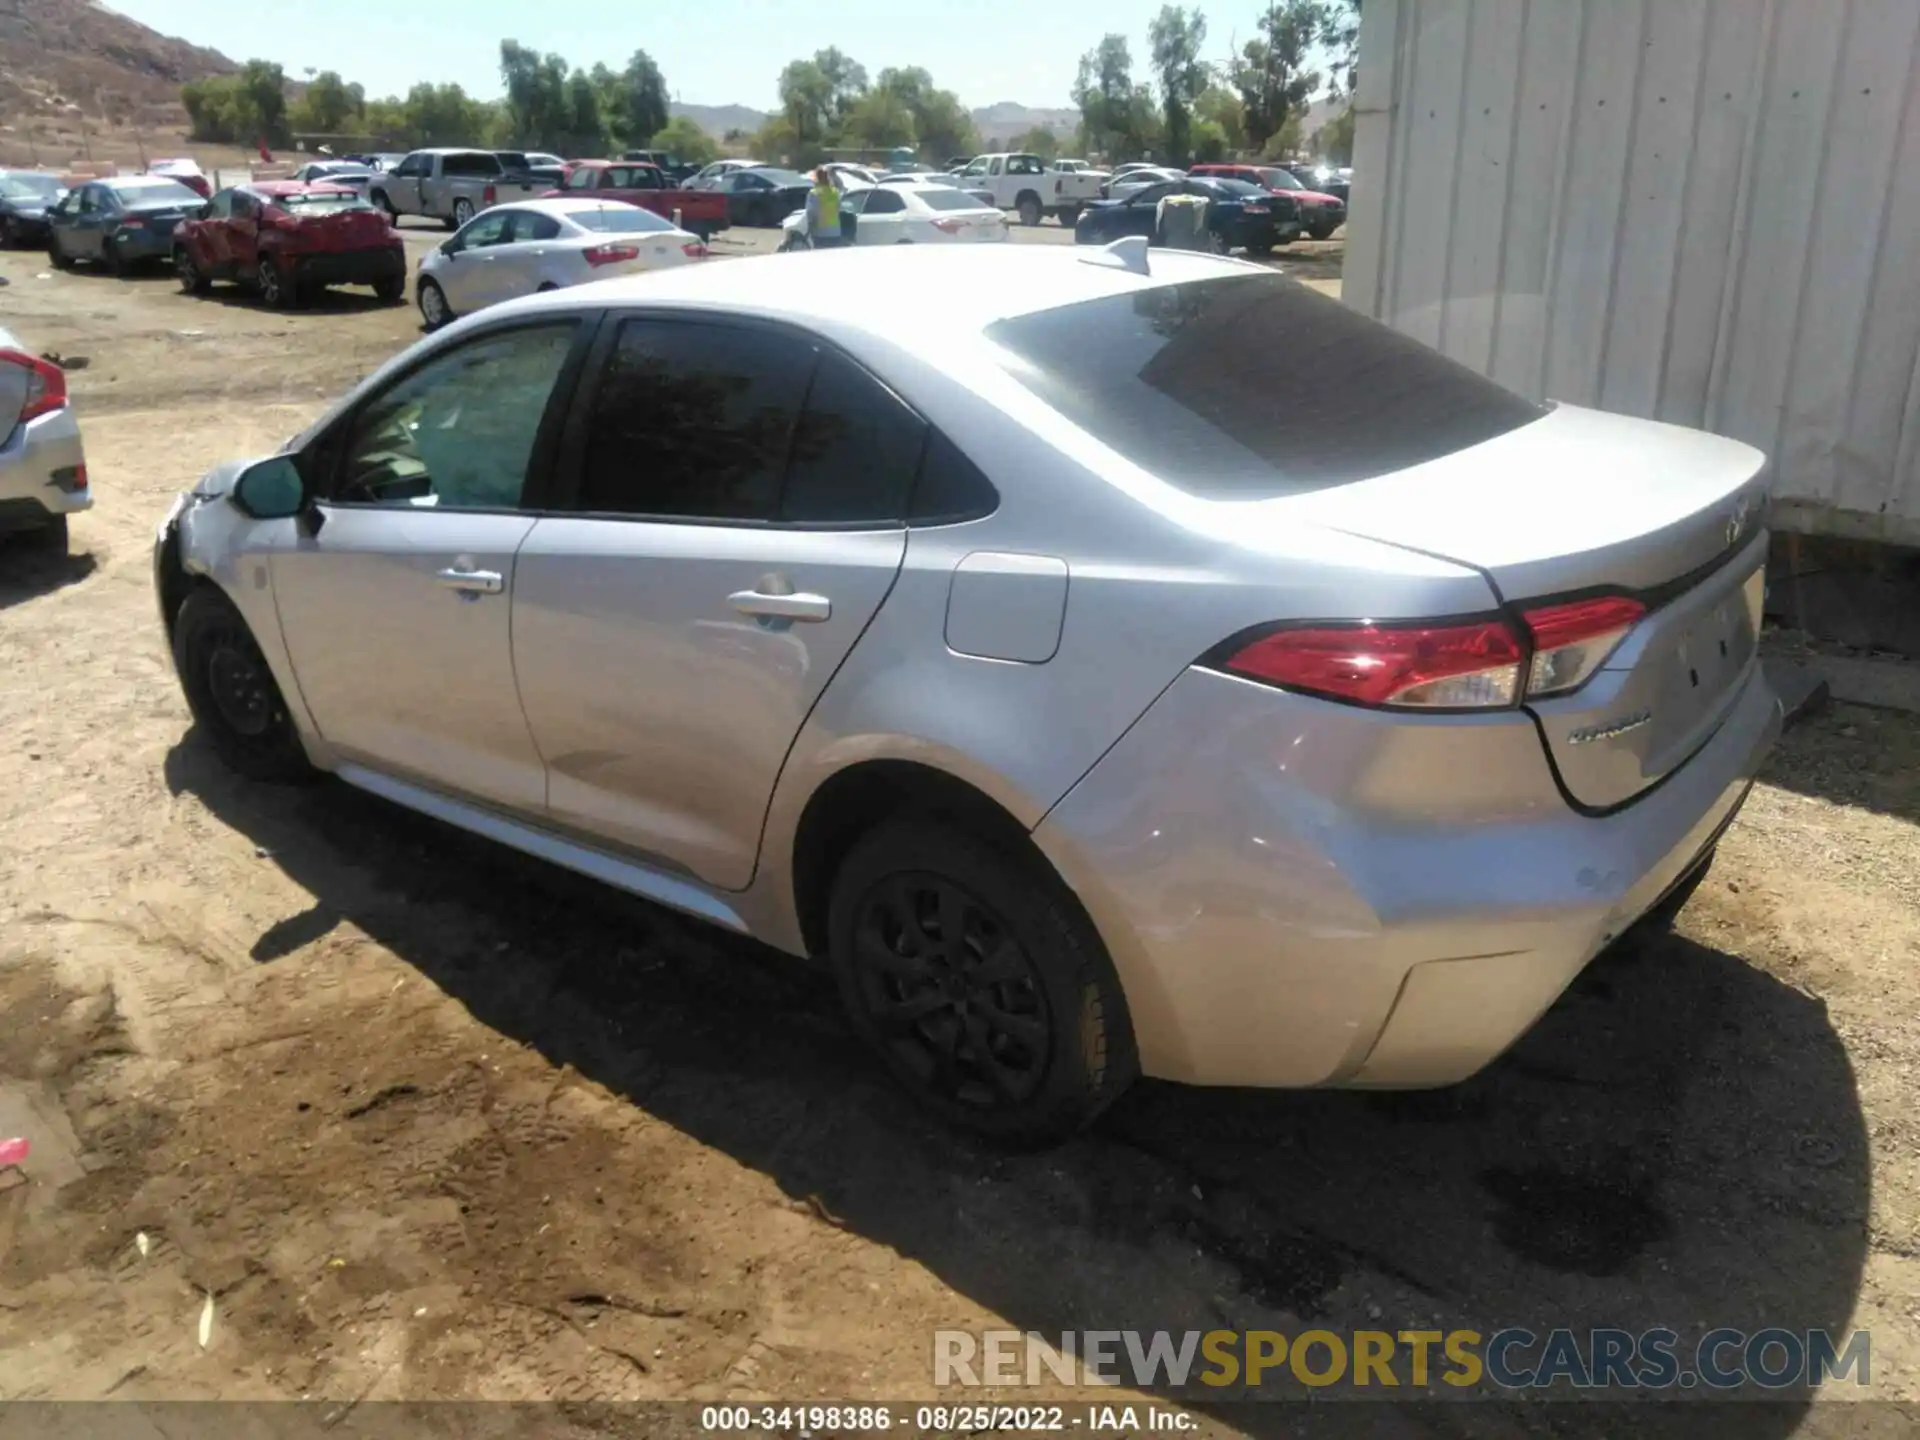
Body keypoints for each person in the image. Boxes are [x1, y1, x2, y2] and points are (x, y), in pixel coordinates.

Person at [805, 167, 843, 249]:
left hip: (820, 232)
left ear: (816, 178)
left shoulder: (814, 193)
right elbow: (838, 207)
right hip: (835, 231)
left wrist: (809, 225)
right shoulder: (835, 191)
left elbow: (811, 211)